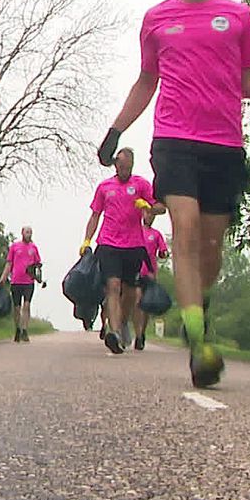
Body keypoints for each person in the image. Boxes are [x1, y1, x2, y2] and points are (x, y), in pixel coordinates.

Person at [97, 0, 250, 387]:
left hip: (224, 144)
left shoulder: (237, 17)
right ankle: (198, 342)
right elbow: (146, 81)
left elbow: (248, 82)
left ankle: (201, 305)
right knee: (186, 226)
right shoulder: (157, 19)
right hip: (174, 139)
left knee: (211, 249)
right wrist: (116, 131)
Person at [80, 147, 164, 354]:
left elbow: (161, 207)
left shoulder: (141, 184)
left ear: (132, 166)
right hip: (108, 243)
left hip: (134, 245)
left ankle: (123, 322)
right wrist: (87, 240)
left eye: (127, 167)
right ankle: (114, 332)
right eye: (120, 166)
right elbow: (95, 215)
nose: (123, 170)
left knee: (130, 291)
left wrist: (148, 207)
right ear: (115, 165)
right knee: (113, 285)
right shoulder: (104, 187)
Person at [131, 210, 170, 350]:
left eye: (152, 215)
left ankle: (142, 333)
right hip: (135, 270)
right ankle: (137, 333)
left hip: (150, 273)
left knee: (145, 305)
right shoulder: (135, 231)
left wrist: (163, 253)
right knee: (137, 302)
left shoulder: (156, 234)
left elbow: (163, 251)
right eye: (147, 214)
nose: (149, 217)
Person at [0, 226, 44, 342]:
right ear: (22, 233)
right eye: (27, 232)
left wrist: (39, 277)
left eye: (31, 233)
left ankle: (25, 330)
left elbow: (38, 264)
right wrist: (3, 278)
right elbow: (9, 264)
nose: (29, 234)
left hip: (28, 281)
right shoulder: (15, 247)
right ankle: (17, 329)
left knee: (27, 305)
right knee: (17, 307)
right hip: (16, 281)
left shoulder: (33, 248)